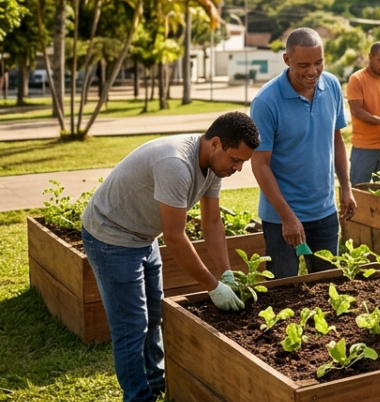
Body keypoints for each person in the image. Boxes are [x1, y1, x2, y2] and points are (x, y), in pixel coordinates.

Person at [81, 112, 260, 402]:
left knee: (154, 315)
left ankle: (156, 380)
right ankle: (139, 398)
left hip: (143, 235)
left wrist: (226, 272)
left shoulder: (214, 167)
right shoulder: (176, 164)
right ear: (215, 143)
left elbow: (212, 222)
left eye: (243, 162)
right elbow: (175, 236)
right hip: (111, 236)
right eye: (235, 160)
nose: (238, 168)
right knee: (131, 327)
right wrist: (213, 286)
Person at [250, 28, 356, 279]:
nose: (313, 71)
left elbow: (336, 139)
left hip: (325, 213)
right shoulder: (266, 102)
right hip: (282, 218)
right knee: (283, 289)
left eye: (319, 62)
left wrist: (346, 188)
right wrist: (287, 217)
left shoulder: (331, 86)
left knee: (327, 287)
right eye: (304, 65)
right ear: (287, 60)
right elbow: (260, 165)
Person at [347, 42, 380, 186]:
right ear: (370, 57)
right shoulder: (357, 79)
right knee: (359, 192)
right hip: (363, 148)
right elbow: (356, 111)